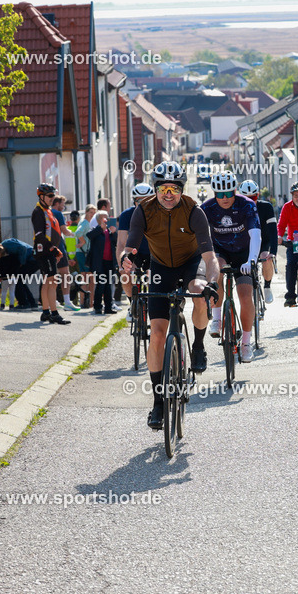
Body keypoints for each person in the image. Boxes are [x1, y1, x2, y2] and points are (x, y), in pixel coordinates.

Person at [120, 162, 219, 430]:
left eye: (174, 188)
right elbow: (129, 247)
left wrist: (212, 283)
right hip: (160, 267)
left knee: (199, 292)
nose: (168, 194)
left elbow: (210, 258)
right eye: (163, 188)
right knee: (158, 334)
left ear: (181, 189)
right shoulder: (144, 210)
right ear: (156, 190)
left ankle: (197, 345)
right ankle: (158, 401)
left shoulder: (194, 210)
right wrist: (125, 260)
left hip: (191, 263)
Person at [202, 171, 261, 362]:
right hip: (220, 251)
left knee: (245, 296)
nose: (225, 198)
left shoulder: (247, 204)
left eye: (229, 193)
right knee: (217, 267)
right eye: (220, 194)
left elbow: (255, 235)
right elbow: (199, 236)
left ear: (235, 191)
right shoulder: (207, 208)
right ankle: (217, 318)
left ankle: (245, 342)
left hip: (243, 253)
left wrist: (251, 260)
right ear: (214, 194)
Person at [32, 183, 70, 325]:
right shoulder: (38, 212)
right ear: (41, 196)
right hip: (44, 251)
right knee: (52, 282)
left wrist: (54, 249)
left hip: (48, 251)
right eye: (49, 196)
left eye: (53, 195)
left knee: (48, 283)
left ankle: (46, 312)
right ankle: (54, 314)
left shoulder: (47, 210)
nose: (52, 198)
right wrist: (54, 249)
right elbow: (40, 234)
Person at [116, 184, 155, 318]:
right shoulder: (126, 215)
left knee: (155, 278)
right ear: (134, 201)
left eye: (147, 200)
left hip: (153, 253)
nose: (143, 204)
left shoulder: (158, 214)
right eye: (140, 201)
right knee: (125, 276)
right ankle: (133, 304)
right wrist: (122, 263)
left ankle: (153, 304)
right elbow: (121, 243)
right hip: (134, 253)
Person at [238, 179, 278, 303]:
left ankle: (267, 286)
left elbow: (273, 231)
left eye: (253, 197)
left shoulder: (266, 207)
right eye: (246, 198)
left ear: (258, 195)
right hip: (245, 243)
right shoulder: (237, 208)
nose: (250, 201)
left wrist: (274, 252)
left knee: (265, 257)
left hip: (263, 242)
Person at [0, 239, 39, 309]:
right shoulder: (4, 254)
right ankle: (32, 303)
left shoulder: (7, 244)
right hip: (33, 259)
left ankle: (24, 303)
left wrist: (21, 263)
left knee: (16, 279)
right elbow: (5, 277)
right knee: (18, 279)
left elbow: (23, 248)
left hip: (32, 258)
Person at [51, 195, 80, 312]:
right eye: (63, 204)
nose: (64, 207)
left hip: (49, 247)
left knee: (51, 275)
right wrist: (74, 234)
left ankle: (53, 301)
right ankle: (67, 302)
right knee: (65, 274)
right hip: (59, 245)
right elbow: (64, 230)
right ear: (57, 204)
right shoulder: (58, 214)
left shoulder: (46, 213)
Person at [85, 211, 117, 314]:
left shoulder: (109, 231)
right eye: (103, 218)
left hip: (109, 262)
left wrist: (114, 232)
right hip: (99, 262)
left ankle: (108, 307)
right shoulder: (96, 230)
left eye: (106, 218)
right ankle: (97, 307)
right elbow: (89, 235)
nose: (105, 220)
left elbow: (116, 242)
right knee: (101, 284)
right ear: (99, 220)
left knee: (108, 285)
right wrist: (100, 228)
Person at [75, 204, 97, 308]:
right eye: (90, 212)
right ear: (87, 212)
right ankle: (90, 301)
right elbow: (78, 232)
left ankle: (84, 301)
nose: (92, 214)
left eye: (94, 212)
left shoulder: (84, 222)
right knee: (90, 277)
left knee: (84, 277)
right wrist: (83, 242)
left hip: (81, 253)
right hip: (84, 253)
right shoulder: (85, 223)